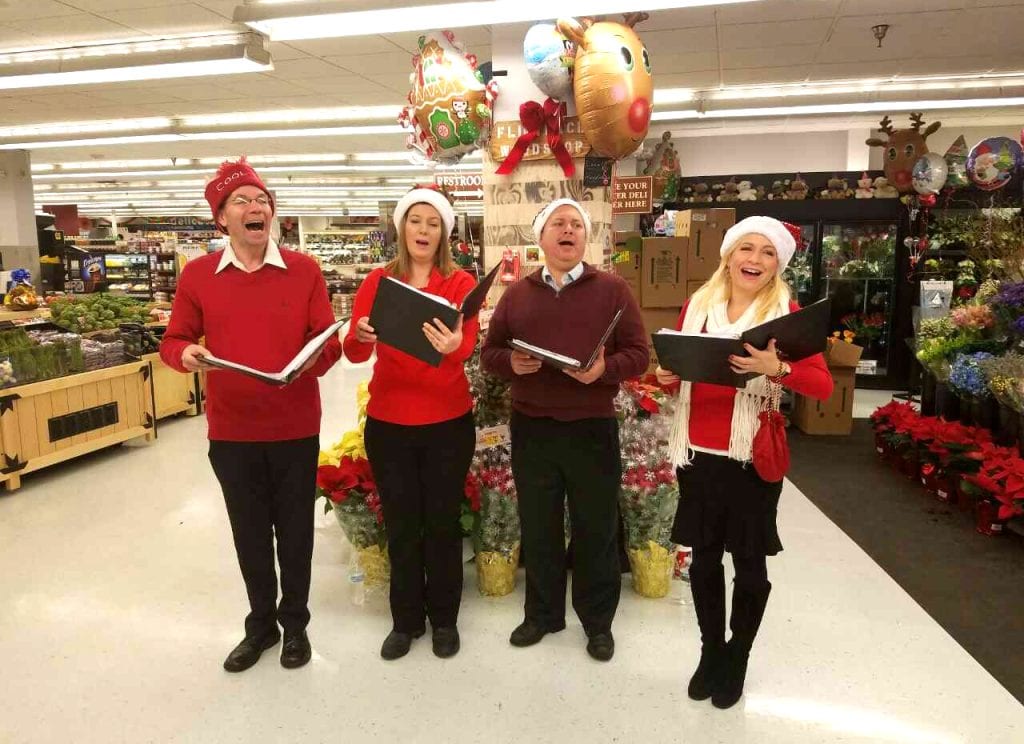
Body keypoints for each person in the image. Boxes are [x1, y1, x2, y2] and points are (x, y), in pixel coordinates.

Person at [159, 157, 342, 673]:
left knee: (296, 532)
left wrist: (324, 351)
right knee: (250, 532)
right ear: (221, 218)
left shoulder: (305, 270)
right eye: (242, 201)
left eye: (262, 200)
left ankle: (296, 627)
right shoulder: (197, 276)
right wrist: (185, 356)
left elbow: (325, 343)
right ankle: (260, 625)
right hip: (233, 431)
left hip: (294, 427)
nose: (255, 207)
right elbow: (173, 341)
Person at [655, 216, 833, 709]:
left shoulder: (787, 316)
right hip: (697, 455)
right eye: (745, 249)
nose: (753, 260)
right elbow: (675, 378)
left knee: (749, 568)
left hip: (750, 460)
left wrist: (774, 367)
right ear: (728, 256)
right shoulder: (698, 306)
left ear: (778, 264)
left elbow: (820, 385)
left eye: (767, 253)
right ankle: (711, 650)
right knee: (705, 562)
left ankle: (738, 653)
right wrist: (667, 373)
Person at [481, 198, 648, 662]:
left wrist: (604, 370)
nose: (568, 230)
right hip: (532, 427)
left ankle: (598, 623)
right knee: (539, 527)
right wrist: (511, 362)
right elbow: (489, 353)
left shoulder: (612, 290)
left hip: (592, 428)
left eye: (576, 224)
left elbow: (638, 353)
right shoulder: (517, 294)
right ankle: (542, 614)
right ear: (541, 237)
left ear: (585, 238)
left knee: (596, 529)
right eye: (559, 223)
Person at [343, 186, 478, 661]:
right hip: (390, 422)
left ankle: (444, 620)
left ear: (444, 233)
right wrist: (358, 335)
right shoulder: (378, 281)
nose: (423, 230)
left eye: (433, 222)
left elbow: (468, 343)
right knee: (401, 524)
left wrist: (453, 346)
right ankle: (405, 620)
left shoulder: (460, 284)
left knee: (441, 523)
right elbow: (355, 351)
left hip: (448, 422)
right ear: (402, 228)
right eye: (416, 221)